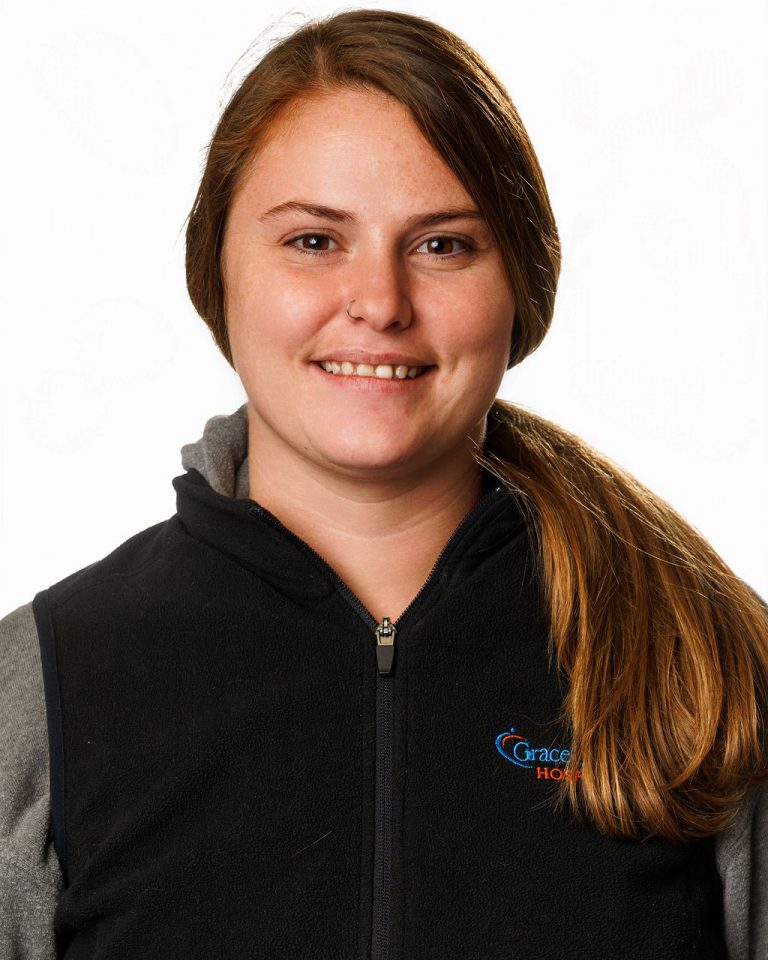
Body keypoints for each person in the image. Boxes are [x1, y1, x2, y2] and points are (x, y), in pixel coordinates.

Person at [1, 8, 766, 959]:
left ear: (521, 286)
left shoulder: (702, 662)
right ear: (218, 273)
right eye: (314, 241)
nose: (380, 303)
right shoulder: (41, 689)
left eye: (442, 244)